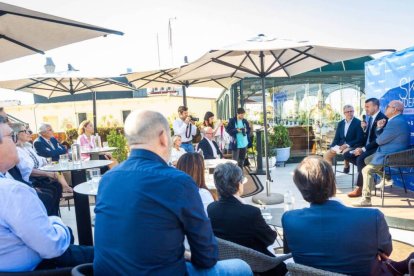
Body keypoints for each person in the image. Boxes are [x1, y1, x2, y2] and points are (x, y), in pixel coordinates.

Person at [94, 110, 252, 276]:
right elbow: (207, 256)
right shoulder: (178, 181)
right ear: (163, 137)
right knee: (241, 267)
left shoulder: (107, 179)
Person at [0, 116, 94, 272]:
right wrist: (58, 223)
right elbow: (52, 247)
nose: (16, 143)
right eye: (12, 136)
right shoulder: (12, 192)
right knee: (114, 258)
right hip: (39, 267)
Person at [282, 155, 392, 275]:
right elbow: (386, 252)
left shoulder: (289, 219)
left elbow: (289, 253)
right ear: (332, 182)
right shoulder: (372, 218)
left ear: (301, 189)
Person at [207, 162, 287, 276]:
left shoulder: (211, 209)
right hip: (257, 266)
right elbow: (270, 239)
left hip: (226, 264)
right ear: (238, 184)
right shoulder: (250, 213)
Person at [353, 100, 410, 207]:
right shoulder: (396, 120)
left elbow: (380, 140)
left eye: (388, 106)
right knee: (366, 160)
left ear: (395, 109)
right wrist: (379, 128)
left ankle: (366, 199)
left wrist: (379, 128)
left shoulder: (396, 122)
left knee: (366, 170)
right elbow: (383, 137)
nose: (386, 108)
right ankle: (387, 178)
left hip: (392, 155)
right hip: (389, 152)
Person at [345, 98, 387, 197]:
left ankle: (360, 187)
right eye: (365, 107)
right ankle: (370, 174)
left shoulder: (382, 118)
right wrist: (364, 130)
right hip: (366, 146)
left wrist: (363, 149)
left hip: (376, 148)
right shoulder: (370, 118)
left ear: (375, 107)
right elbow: (367, 137)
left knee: (361, 159)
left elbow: (378, 140)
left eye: (368, 107)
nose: (366, 109)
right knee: (347, 154)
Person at [13, 123, 72, 193]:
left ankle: (66, 187)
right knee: (56, 183)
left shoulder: (28, 147)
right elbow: (49, 154)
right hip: (34, 178)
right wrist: (47, 172)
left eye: (29, 132)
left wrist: (50, 159)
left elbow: (64, 149)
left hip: (48, 166)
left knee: (58, 174)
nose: (28, 133)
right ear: (16, 134)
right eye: (25, 131)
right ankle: (66, 188)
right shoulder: (37, 142)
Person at [323, 105, 364, 171]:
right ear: (344, 113)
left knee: (345, 151)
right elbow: (337, 138)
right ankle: (329, 173)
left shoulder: (358, 123)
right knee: (326, 155)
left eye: (351, 111)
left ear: (353, 112)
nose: (350, 113)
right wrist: (332, 146)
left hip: (352, 146)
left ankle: (346, 165)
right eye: (347, 112)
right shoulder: (340, 123)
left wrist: (347, 145)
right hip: (340, 146)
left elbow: (359, 139)